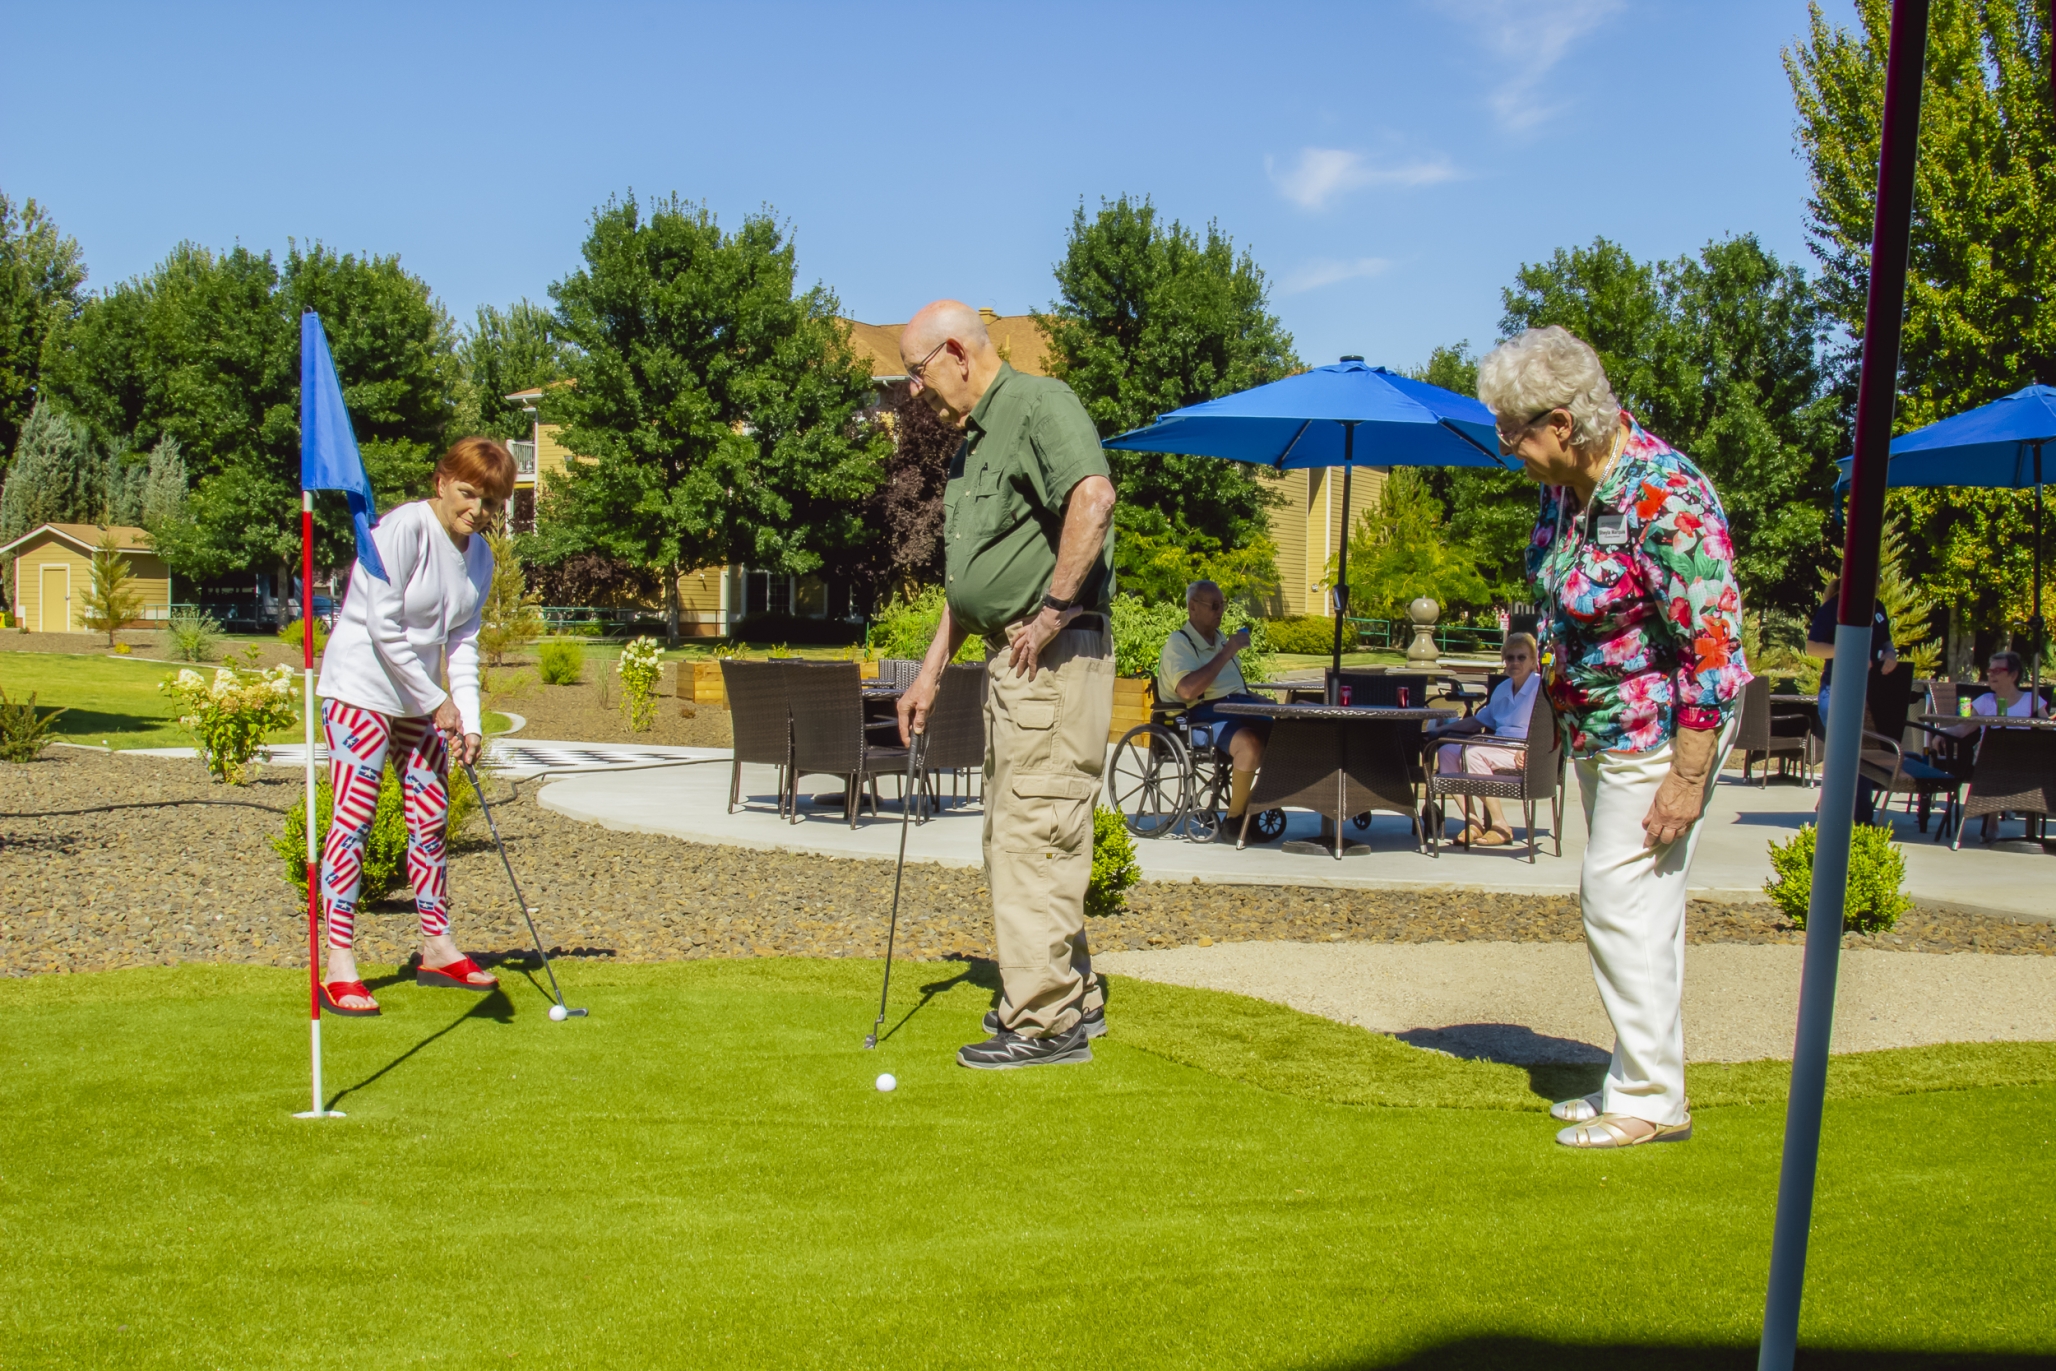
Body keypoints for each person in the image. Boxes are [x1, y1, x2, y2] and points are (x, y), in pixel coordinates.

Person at [1479, 326, 1751, 1149]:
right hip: (1604, 729)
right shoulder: (1567, 492)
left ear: (1562, 423)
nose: (1508, 450)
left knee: (1615, 901)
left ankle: (1648, 1098)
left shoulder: (1666, 494)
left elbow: (1715, 644)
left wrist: (1687, 776)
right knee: (1642, 909)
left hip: (1663, 730)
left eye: (1514, 432)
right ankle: (1638, 1078)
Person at [894, 300, 1118, 1070]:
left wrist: (1053, 612)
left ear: (956, 351)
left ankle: (1045, 1023)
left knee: (1034, 835)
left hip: (1051, 662)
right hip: (1012, 663)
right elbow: (970, 584)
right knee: (1016, 836)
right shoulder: (974, 443)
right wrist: (928, 672)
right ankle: (1072, 998)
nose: (914, 392)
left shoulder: (1038, 404)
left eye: (916, 373)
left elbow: (1093, 498)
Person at [311, 437, 515, 1016]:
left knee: (430, 817)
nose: (476, 510)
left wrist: (468, 720)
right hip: (361, 690)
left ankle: (436, 946)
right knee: (354, 819)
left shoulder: (479, 557)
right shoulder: (402, 529)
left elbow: (464, 643)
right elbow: (383, 624)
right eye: (468, 493)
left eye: (491, 502)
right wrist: (436, 701)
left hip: (419, 703)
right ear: (443, 483)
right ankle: (340, 963)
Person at [1158, 579, 1271, 840]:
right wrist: (1227, 652)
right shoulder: (1181, 642)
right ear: (1192, 608)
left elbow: (1231, 687)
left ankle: (1253, 811)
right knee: (1250, 744)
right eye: (1214, 605)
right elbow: (1187, 691)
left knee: (1291, 736)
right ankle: (1234, 821)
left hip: (1236, 708)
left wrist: (1260, 699)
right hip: (1199, 715)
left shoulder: (1220, 640)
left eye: (1223, 605)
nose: (1220, 611)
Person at [1424, 632, 1541, 845]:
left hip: (1527, 750)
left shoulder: (1540, 688)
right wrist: (1436, 733)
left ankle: (1500, 825)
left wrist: (1529, 749)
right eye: (1510, 658)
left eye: (1521, 657)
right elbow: (1478, 721)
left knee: (1474, 754)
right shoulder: (1503, 688)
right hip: (1499, 746)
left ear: (1533, 661)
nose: (1515, 662)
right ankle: (1472, 821)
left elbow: (1552, 726)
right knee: (1447, 751)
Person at [1806, 576, 1895, 825]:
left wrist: (1890, 652)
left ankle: (1855, 813)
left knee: (1861, 750)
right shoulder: (1834, 608)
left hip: (1867, 692)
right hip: (1835, 689)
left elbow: (1885, 639)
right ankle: (1845, 813)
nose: (1874, 589)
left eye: (1877, 585)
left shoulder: (1878, 608)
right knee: (1845, 749)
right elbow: (1812, 647)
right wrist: (1848, 651)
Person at [1944, 650, 2050, 841]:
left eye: (1997, 670)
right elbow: (1963, 729)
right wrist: (1941, 734)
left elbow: (2048, 732)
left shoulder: (2031, 701)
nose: (1990, 675)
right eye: (1989, 670)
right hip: (1990, 760)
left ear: (2013, 675)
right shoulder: (1985, 700)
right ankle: (1993, 821)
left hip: (2026, 761)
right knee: (1993, 757)